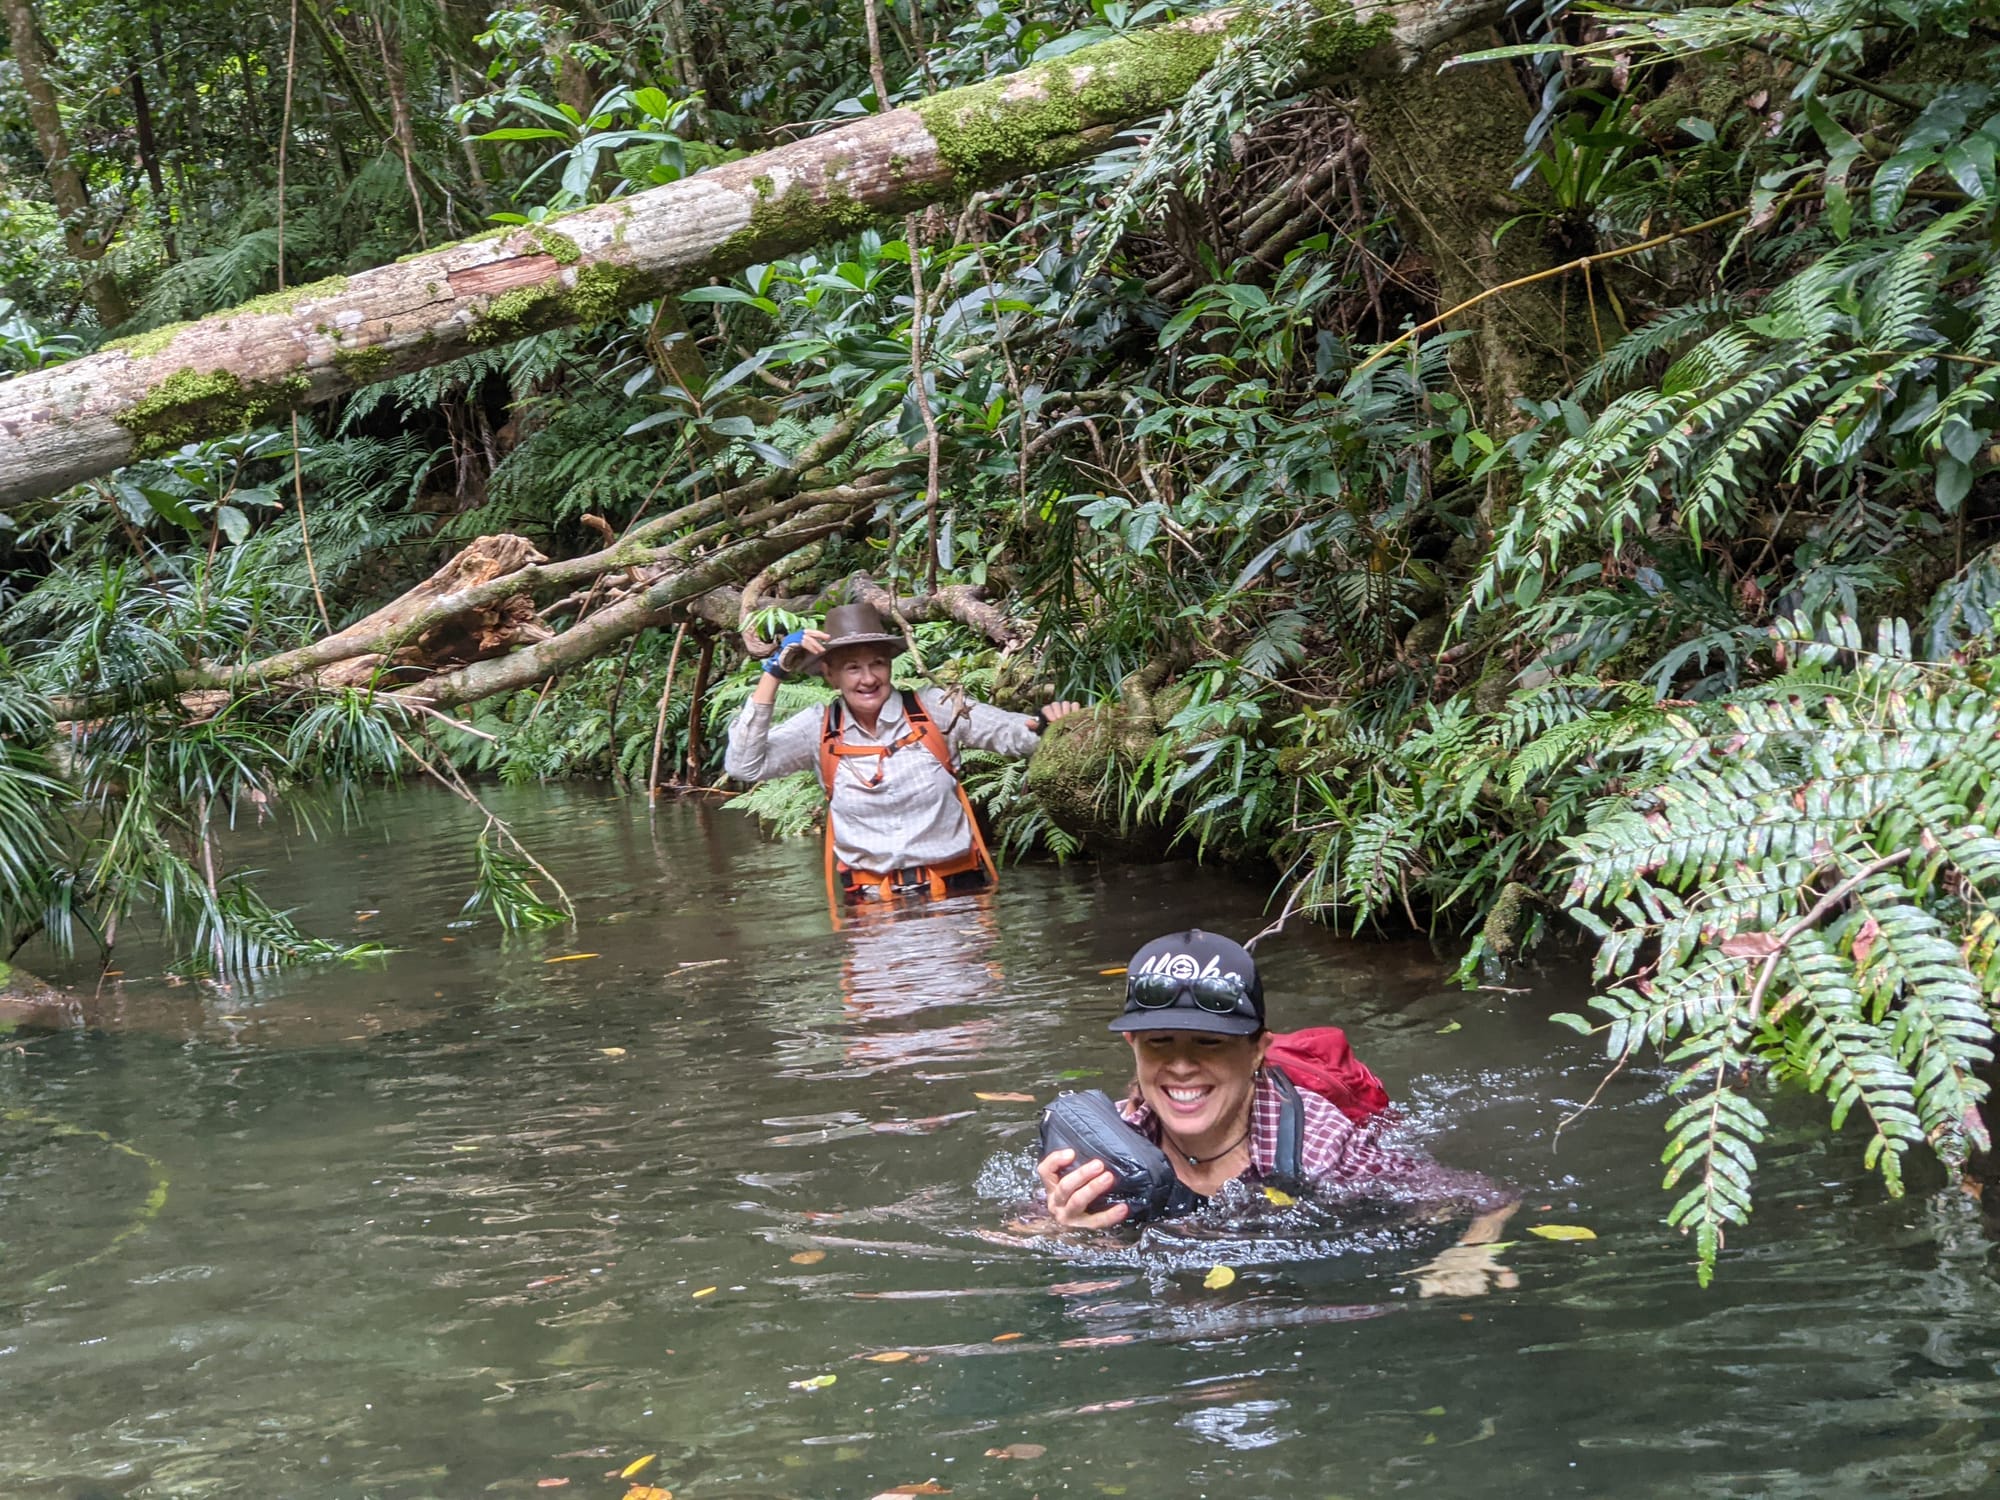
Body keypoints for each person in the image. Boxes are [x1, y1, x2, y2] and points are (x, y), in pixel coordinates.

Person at [1037, 928, 1520, 1297]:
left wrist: (1471, 1252)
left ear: (1257, 1051)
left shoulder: (1325, 1149)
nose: (1181, 1066)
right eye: (1160, 1042)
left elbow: (1489, 1196)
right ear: (1132, 1045)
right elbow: (1020, 1229)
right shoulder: (1108, 1141)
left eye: (1210, 1043)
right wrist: (1064, 1228)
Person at [723, 601, 1080, 911]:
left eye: (877, 663)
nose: (868, 678)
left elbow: (1014, 734)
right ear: (830, 675)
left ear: (890, 666)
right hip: (871, 906)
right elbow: (744, 765)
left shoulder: (934, 709)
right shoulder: (818, 727)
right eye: (852, 667)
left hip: (959, 898)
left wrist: (1054, 724)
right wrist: (774, 672)